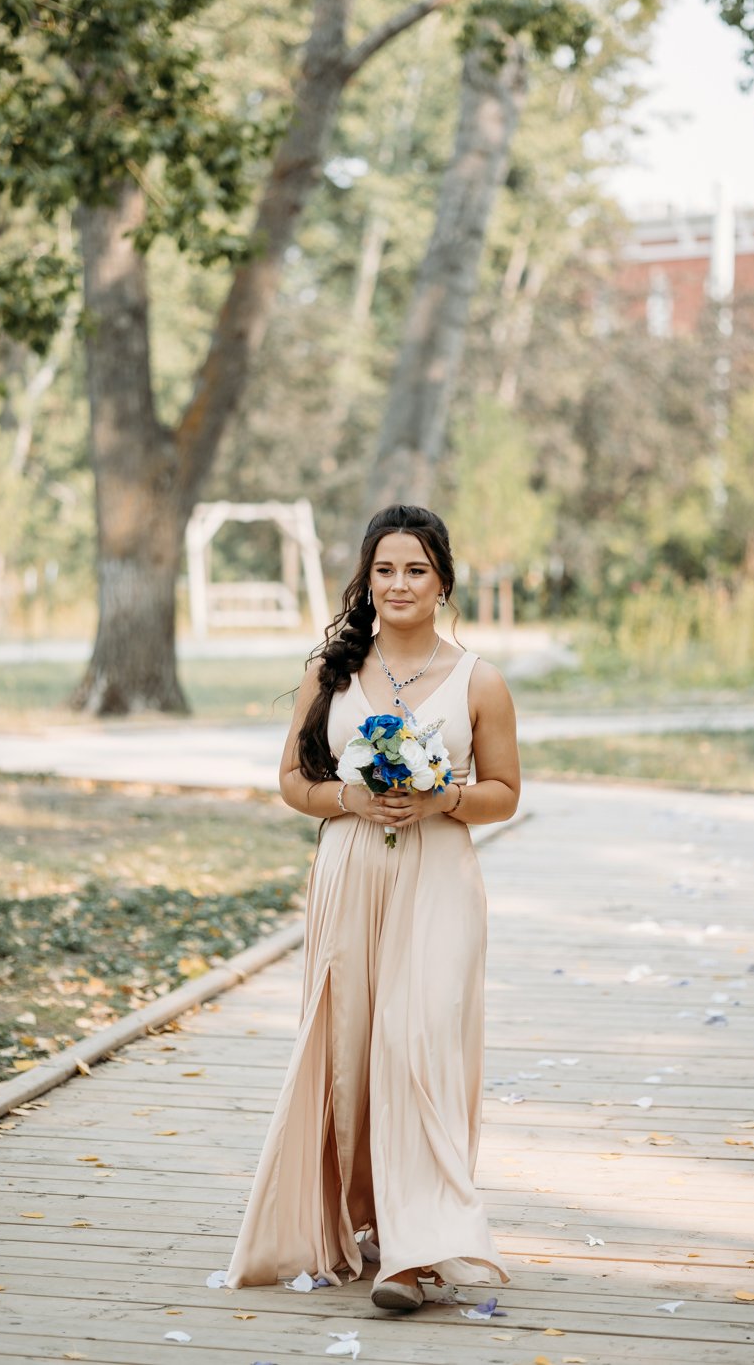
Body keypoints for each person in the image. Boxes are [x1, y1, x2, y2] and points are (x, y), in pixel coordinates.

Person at [224, 503, 520, 1312]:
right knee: (353, 1046)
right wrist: (347, 799)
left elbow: (504, 794)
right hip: (351, 870)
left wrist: (442, 798)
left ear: (443, 582)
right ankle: (372, 1220)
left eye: (416, 570)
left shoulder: (478, 680)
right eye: (385, 569)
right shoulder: (332, 673)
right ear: (366, 579)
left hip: (440, 876)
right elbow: (292, 781)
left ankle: (416, 1256)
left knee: (418, 1040)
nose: (399, 584)